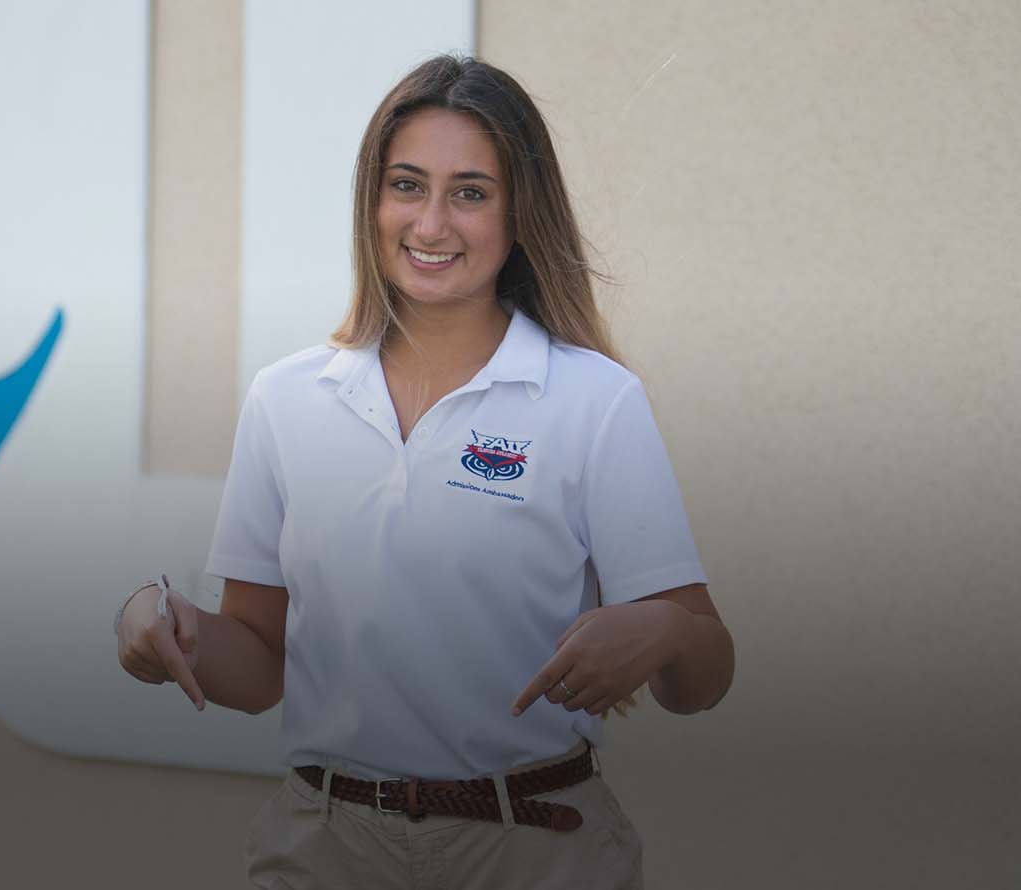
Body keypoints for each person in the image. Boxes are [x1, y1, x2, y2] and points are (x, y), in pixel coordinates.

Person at [114, 55, 734, 889]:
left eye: (470, 192)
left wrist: (663, 630)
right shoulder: (286, 399)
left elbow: (703, 680)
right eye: (407, 185)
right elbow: (259, 667)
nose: (432, 223)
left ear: (521, 215)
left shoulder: (595, 401)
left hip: (534, 848)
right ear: (371, 203)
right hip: (324, 849)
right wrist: (160, 623)